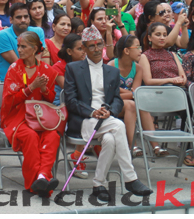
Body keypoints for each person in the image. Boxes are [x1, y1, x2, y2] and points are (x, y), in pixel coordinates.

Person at [63, 27, 151, 202]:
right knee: (119, 125)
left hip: (106, 118)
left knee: (110, 140)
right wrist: (92, 112)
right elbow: (71, 101)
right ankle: (130, 178)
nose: (96, 49)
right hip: (84, 119)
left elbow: (117, 100)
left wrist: (109, 110)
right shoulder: (73, 68)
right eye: (91, 46)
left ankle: (98, 184)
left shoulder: (112, 71)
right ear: (85, 48)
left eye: (99, 44)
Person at [1, 31, 62, 197]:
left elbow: (50, 99)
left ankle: (42, 176)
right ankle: (37, 184)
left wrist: (43, 89)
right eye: (18, 46)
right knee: (30, 136)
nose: (19, 49)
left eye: (23, 46)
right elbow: (9, 101)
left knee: (53, 135)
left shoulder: (46, 69)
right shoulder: (14, 69)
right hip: (17, 118)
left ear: (34, 48)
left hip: (40, 118)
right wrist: (30, 88)